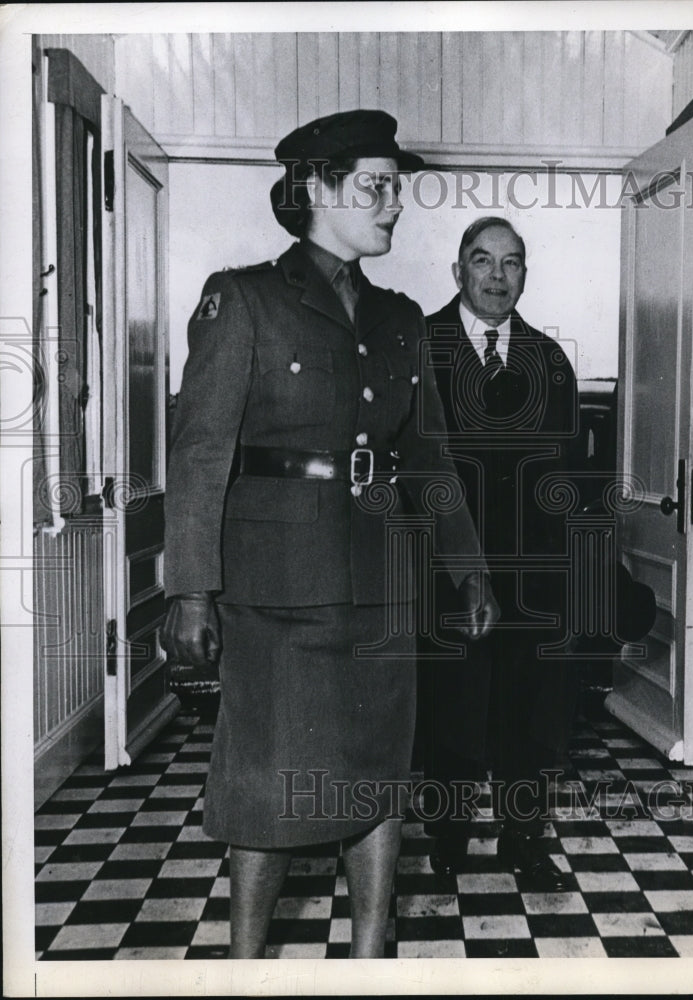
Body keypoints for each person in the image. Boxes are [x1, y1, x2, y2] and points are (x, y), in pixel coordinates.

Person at [160, 110, 499, 959]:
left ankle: (369, 955)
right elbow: (199, 452)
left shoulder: (399, 317)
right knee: (268, 781)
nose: (394, 204)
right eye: (376, 187)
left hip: (382, 582)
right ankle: (245, 962)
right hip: (275, 591)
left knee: (379, 773)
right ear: (317, 189)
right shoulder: (243, 299)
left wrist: (469, 568)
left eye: (396, 188)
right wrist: (190, 590)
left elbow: (428, 454)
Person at [419, 217, 580, 890]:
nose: (495, 275)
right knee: (449, 701)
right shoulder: (420, 347)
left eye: (510, 263)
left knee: (528, 710)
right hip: (444, 567)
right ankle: (446, 834)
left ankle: (523, 837)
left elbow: (567, 478)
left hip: (531, 572)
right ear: (458, 270)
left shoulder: (549, 360)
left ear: (524, 275)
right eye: (482, 260)